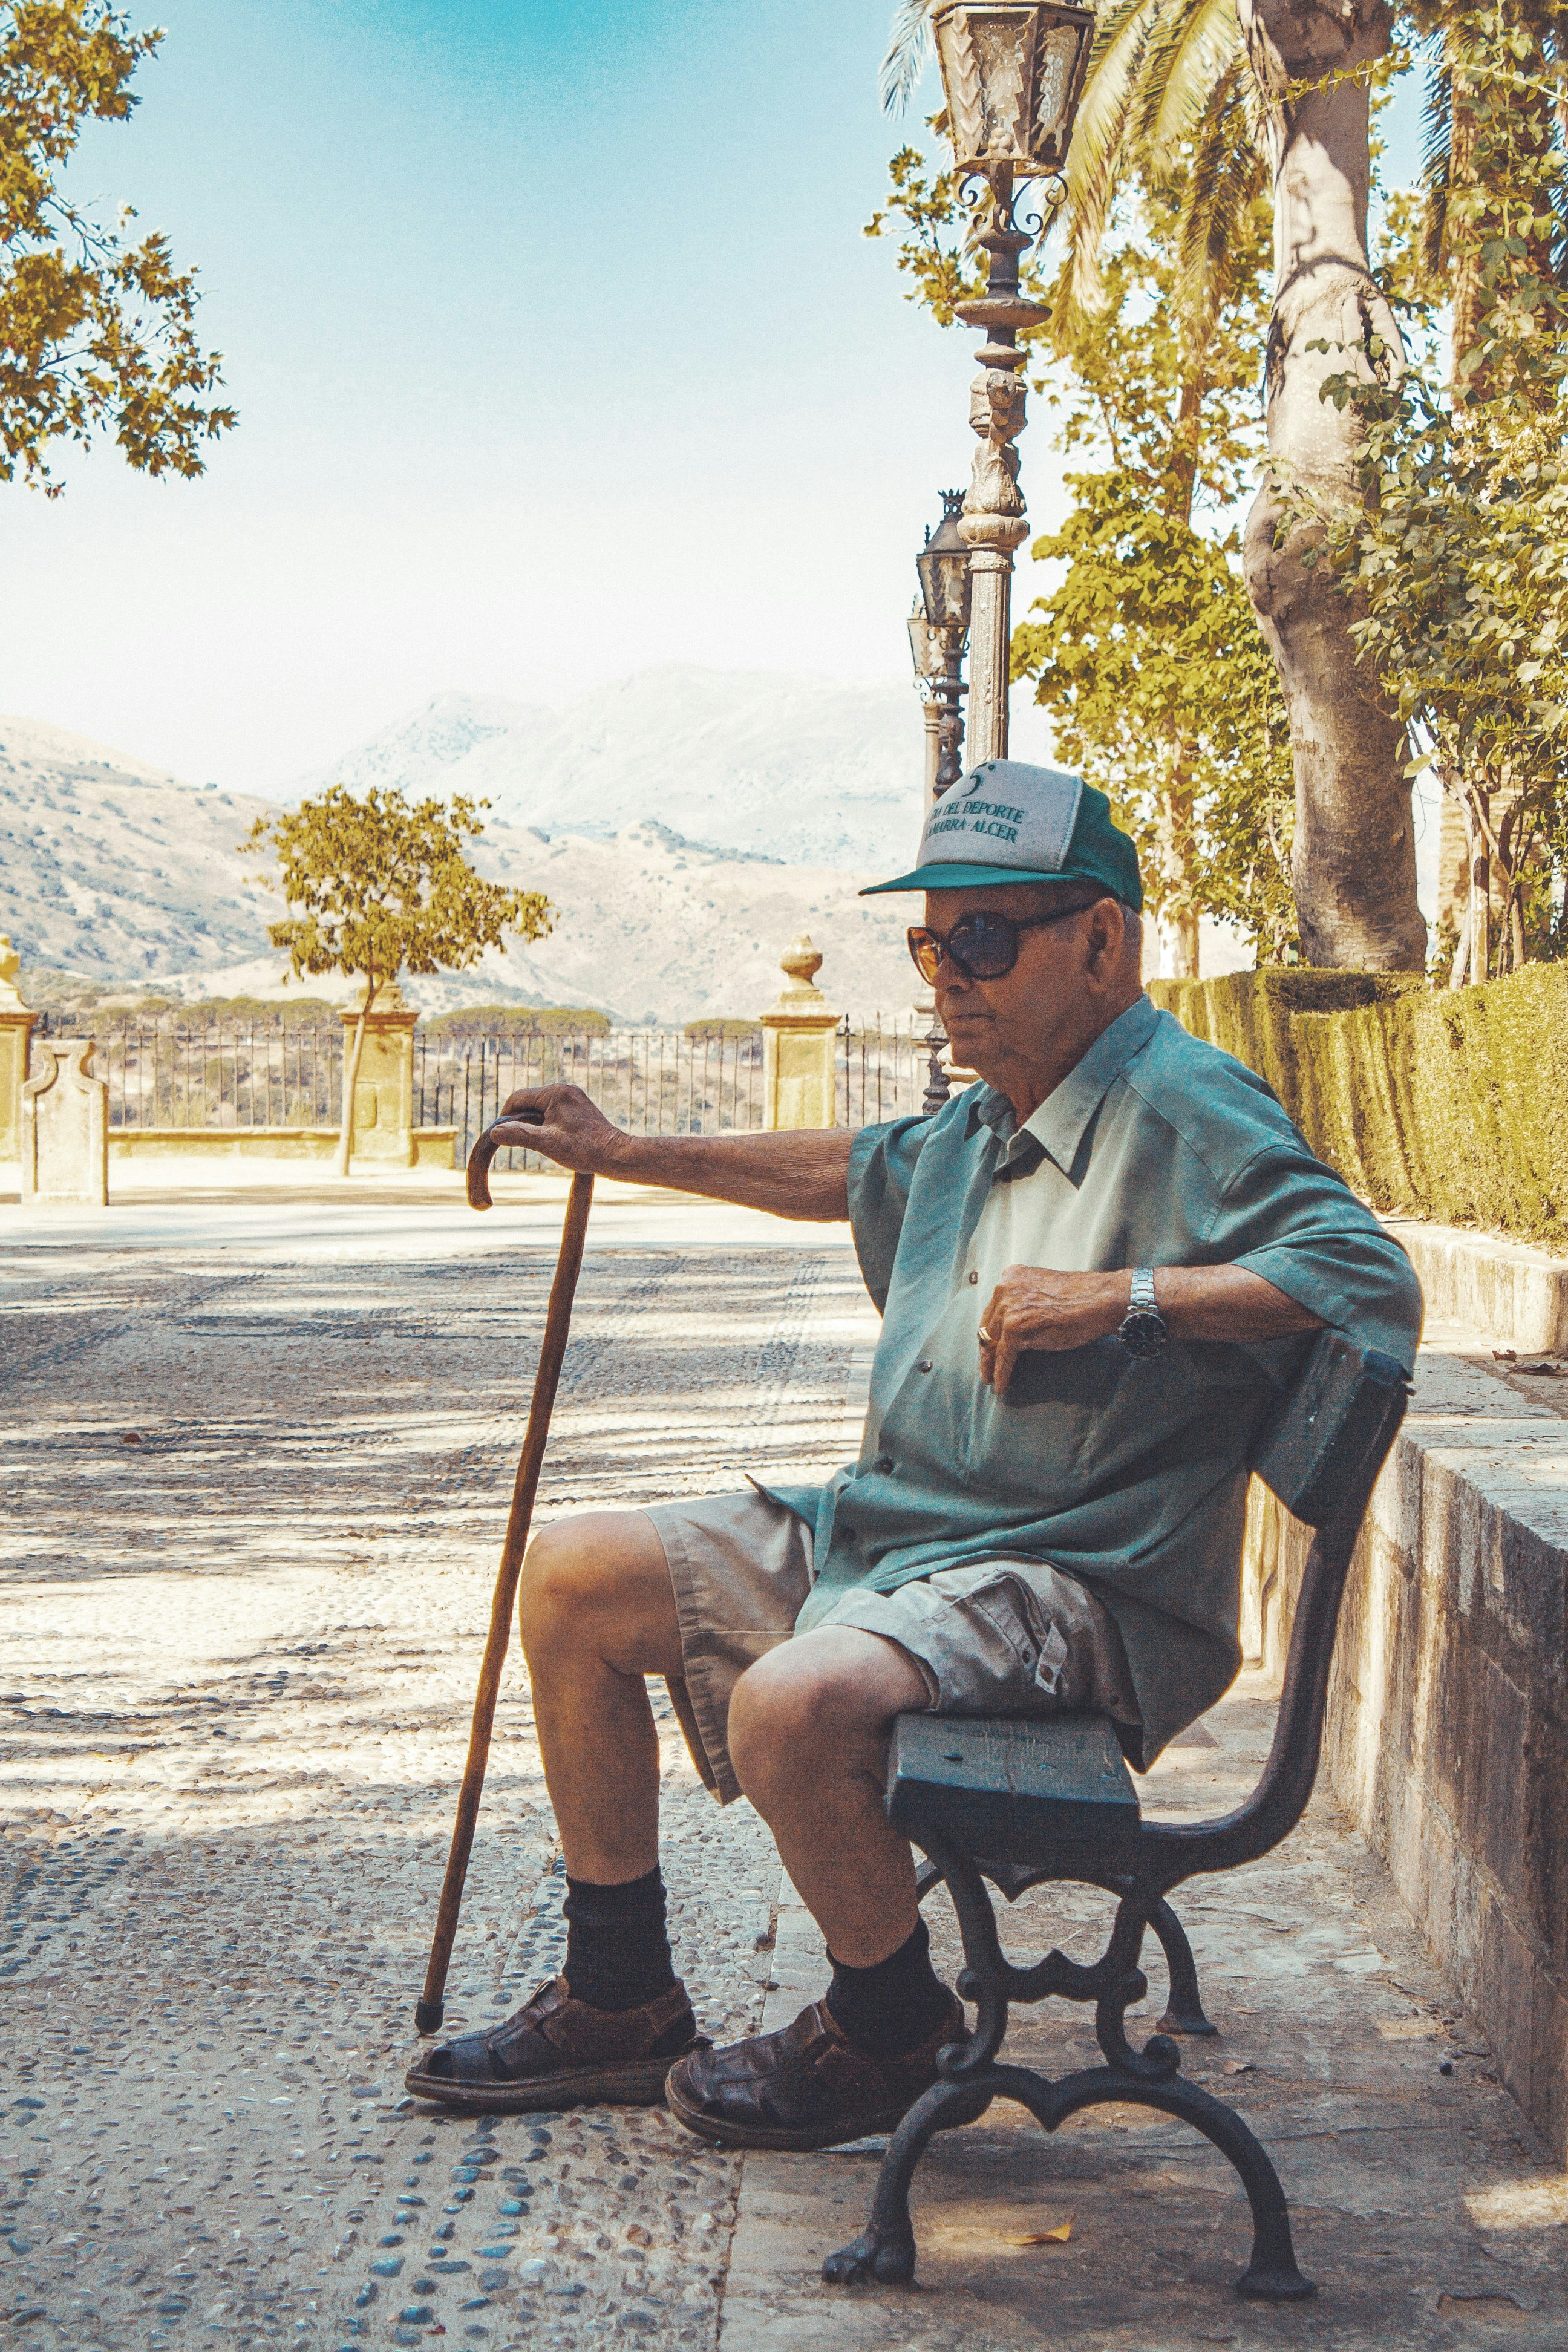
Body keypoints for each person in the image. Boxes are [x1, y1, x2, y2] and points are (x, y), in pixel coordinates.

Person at [405, 761, 1423, 2149]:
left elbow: (1365, 1275)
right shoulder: (991, 1110)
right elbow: (857, 1166)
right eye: (930, 944)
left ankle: (888, 2032)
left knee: (789, 1706)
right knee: (574, 1575)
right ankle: (620, 1996)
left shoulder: (1183, 1105)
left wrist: (1123, 1296)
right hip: (904, 1537)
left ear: (1104, 943)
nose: (949, 976)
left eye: (987, 942)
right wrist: (628, 1152)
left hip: (1069, 1577)